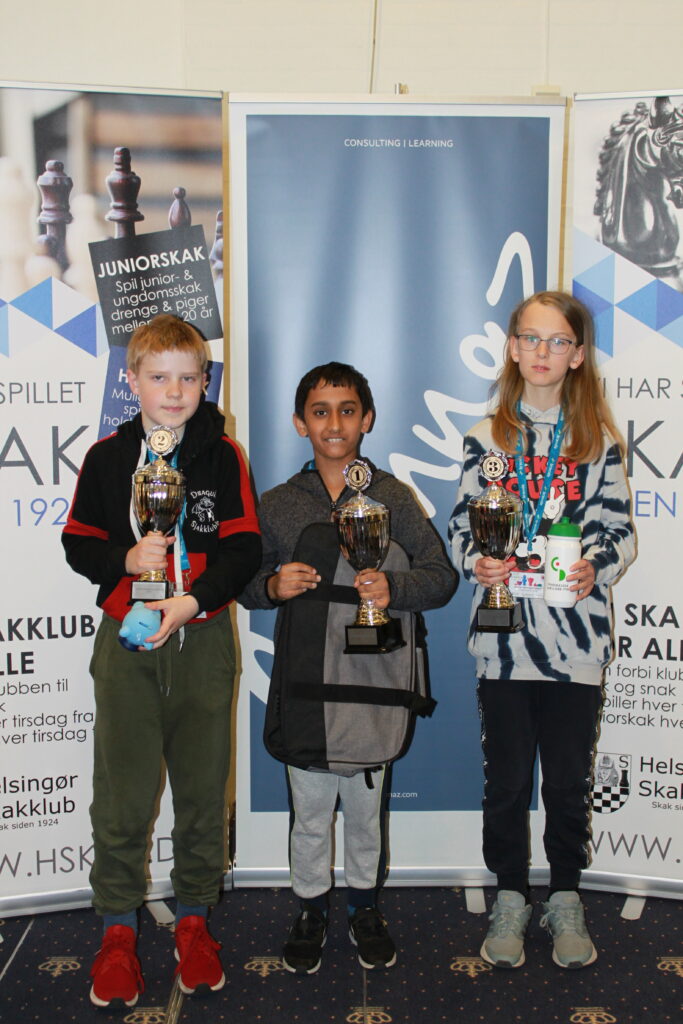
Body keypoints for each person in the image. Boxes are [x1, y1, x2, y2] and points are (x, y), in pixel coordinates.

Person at [62, 314, 261, 1008]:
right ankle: (117, 930)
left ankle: (195, 921)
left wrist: (191, 600)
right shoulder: (107, 457)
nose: (173, 392)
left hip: (201, 639)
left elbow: (243, 550)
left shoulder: (223, 455)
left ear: (205, 382)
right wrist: (125, 559)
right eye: (158, 377)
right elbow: (78, 542)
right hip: (127, 640)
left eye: (187, 378)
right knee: (122, 794)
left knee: (203, 792)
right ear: (133, 381)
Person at [239, 361, 457, 975]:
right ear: (300, 422)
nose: (334, 423)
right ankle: (310, 908)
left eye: (347, 410)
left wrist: (394, 587)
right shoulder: (279, 503)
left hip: (373, 685)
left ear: (367, 419)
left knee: (365, 814)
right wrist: (272, 586)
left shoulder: (393, 497)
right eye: (320, 411)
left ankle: (365, 907)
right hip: (307, 686)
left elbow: (441, 578)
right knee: (309, 813)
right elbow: (245, 583)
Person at [449, 291, 634, 970]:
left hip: (575, 642)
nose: (542, 352)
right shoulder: (485, 437)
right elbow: (459, 525)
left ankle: (564, 895)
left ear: (577, 355)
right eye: (530, 338)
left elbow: (619, 532)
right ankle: (508, 893)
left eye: (557, 341)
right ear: (511, 347)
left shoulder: (598, 442)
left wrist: (594, 566)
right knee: (504, 782)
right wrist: (478, 559)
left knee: (564, 783)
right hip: (504, 640)